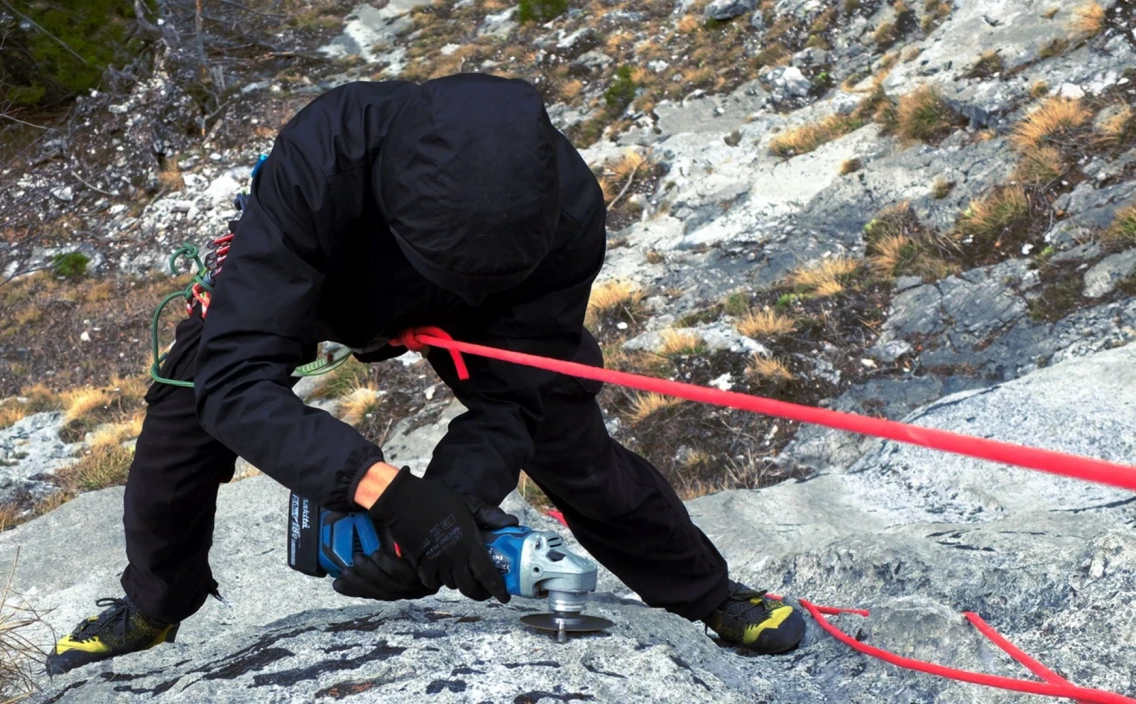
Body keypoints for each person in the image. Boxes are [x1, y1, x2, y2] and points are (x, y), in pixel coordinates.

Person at [45, 73, 805, 676]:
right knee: (183, 422)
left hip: (488, 316)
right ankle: (153, 605)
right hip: (325, 283)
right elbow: (238, 380)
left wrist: (452, 509)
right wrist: (384, 491)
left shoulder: (568, 212)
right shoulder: (326, 154)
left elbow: (515, 400)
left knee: (573, 448)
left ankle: (706, 592)